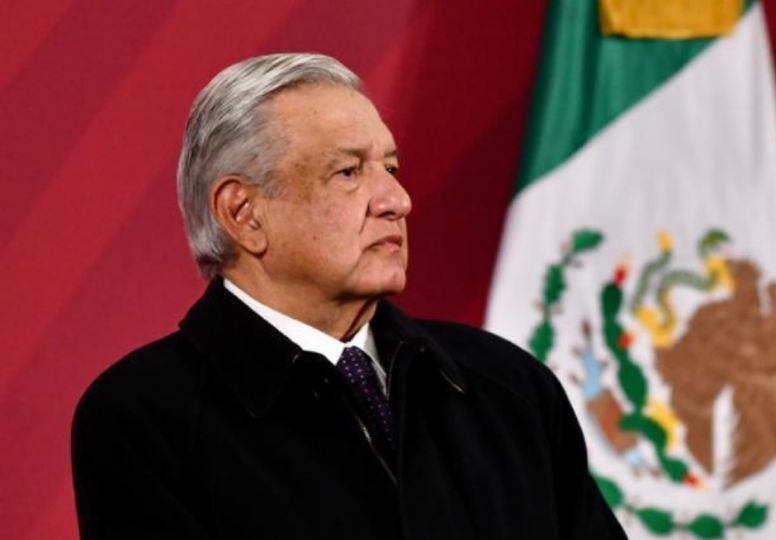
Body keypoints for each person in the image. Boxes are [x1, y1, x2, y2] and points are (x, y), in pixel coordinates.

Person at [71, 53, 626, 540]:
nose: (397, 199)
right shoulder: (144, 418)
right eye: (347, 172)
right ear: (243, 214)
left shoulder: (508, 385)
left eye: (390, 167)